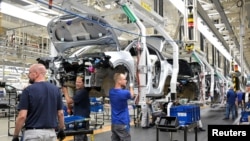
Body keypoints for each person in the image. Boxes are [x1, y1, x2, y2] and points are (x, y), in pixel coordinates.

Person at [12, 63, 65, 141]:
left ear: (36, 74)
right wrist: (61, 129)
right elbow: (60, 114)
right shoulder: (56, 90)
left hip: (33, 135)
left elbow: (22, 116)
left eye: (29, 73)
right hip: (51, 134)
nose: (28, 75)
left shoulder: (28, 90)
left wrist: (15, 136)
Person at [62, 75, 90, 141]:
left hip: (82, 119)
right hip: (78, 118)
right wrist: (70, 108)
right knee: (81, 138)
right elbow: (72, 103)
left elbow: (69, 101)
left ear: (84, 83)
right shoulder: (79, 92)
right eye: (76, 82)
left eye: (79, 82)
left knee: (79, 138)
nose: (77, 84)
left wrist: (65, 92)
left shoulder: (83, 92)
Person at [109, 73, 134, 141]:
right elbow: (132, 95)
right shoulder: (124, 93)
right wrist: (131, 86)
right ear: (119, 81)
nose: (126, 81)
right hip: (122, 123)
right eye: (125, 79)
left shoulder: (111, 92)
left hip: (114, 123)